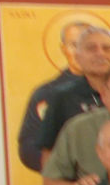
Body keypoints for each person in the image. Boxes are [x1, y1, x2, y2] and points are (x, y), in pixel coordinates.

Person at [36, 25, 110, 165]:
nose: (100, 54)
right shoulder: (62, 97)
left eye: (107, 48)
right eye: (91, 49)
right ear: (78, 57)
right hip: (79, 176)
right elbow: (49, 152)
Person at [18, 19, 89, 172]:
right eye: (74, 45)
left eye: (88, 45)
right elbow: (28, 146)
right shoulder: (47, 93)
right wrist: (63, 169)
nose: (80, 52)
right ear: (64, 49)